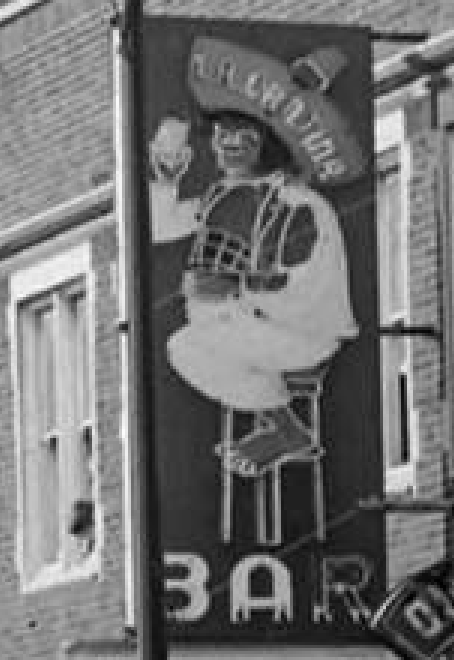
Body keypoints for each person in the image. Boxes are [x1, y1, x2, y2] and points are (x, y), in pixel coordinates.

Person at [148, 39, 363, 477]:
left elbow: (311, 279)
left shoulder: (295, 202)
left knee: (199, 344)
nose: (230, 145)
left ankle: (284, 430)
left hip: (298, 331)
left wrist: (240, 289)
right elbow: (159, 228)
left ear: (265, 143)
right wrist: (167, 181)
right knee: (183, 346)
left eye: (243, 137)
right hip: (235, 327)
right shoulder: (218, 195)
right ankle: (286, 426)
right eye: (222, 135)